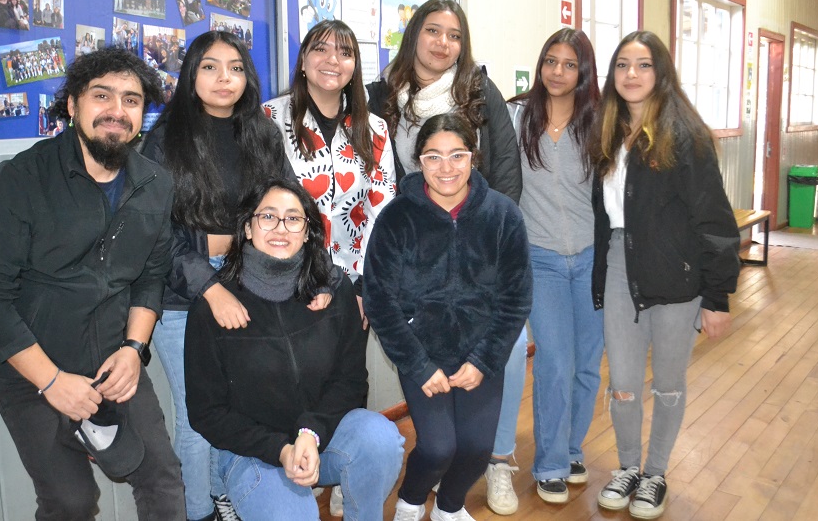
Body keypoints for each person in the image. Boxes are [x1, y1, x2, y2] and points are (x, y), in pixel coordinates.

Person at [0, 47, 186, 520]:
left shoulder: (155, 183)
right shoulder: (16, 181)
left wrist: (133, 348)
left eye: (131, 100)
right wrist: (51, 382)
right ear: (72, 104)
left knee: (161, 477)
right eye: (101, 96)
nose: (116, 111)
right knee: (71, 501)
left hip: (112, 356)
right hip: (30, 365)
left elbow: (152, 274)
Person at [140, 31, 311, 521]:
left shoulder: (261, 133)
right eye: (210, 66)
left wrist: (309, 276)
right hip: (182, 293)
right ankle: (197, 513)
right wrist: (209, 286)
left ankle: (221, 496)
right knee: (197, 419)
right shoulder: (164, 138)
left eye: (235, 67)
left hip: (246, 279)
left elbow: (288, 204)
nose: (223, 78)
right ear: (191, 74)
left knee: (233, 404)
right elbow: (157, 235)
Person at [185, 178, 405, 520]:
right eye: (268, 217)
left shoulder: (331, 291)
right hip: (253, 453)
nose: (280, 228)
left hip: (320, 437)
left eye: (293, 218)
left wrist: (310, 433)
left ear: (306, 231)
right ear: (246, 228)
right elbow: (207, 412)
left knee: (381, 440)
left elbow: (350, 382)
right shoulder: (214, 308)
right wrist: (281, 449)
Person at [590, 31, 740, 519]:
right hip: (620, 265)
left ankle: (655, 473)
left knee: (669, 382)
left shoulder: (685, 136)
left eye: (644, 65)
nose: (631, 74)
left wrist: (717, 297)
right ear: (612, 75)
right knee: (625, 383)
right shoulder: (607, 131)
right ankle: (628, 467)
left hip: (677, 277)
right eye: (622, 65)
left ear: (661, 73)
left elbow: (715, 221)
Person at [364, 113, 532, 521]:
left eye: (457, 155)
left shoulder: (504, 215)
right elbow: (380, 300)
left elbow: (516, 298)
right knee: (438, 447)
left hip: (482, 352)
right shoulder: (396, 218)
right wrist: (419, 365)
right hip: (422, 353)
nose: (446, 168)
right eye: (433, 157)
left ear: (473, 158)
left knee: (476, 449)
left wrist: (484, 361)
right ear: (419, 161)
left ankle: (449, 507)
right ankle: (411, 497)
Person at [487, 29, 602, 513]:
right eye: (550, 61)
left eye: (569, 64)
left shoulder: (599, 123)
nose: (557, 71)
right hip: (541, 259)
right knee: (554, 361)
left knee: (586, 366)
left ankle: (573, 449)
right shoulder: (517, 118)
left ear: (583, 72)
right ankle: (551, 463)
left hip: (594, 258)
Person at [265, 19, 396, 321]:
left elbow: (382, 209)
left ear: (354, 67)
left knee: (348, 368)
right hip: (288, 280)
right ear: (302, 62)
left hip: (352, 282)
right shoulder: (269, 118)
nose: (332, 60)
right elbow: (261, 206)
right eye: (320, 49)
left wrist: (366, 282)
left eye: (345, 53)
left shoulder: (374, 129)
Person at [367, 0, 522, 203]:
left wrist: (496, 223)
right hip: (408, 226)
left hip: (476, 226)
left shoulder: (480, 90)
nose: (443, 42)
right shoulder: (381, 97)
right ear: (414, 35)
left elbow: (506, 167)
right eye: (433, 31)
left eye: (454, 36)